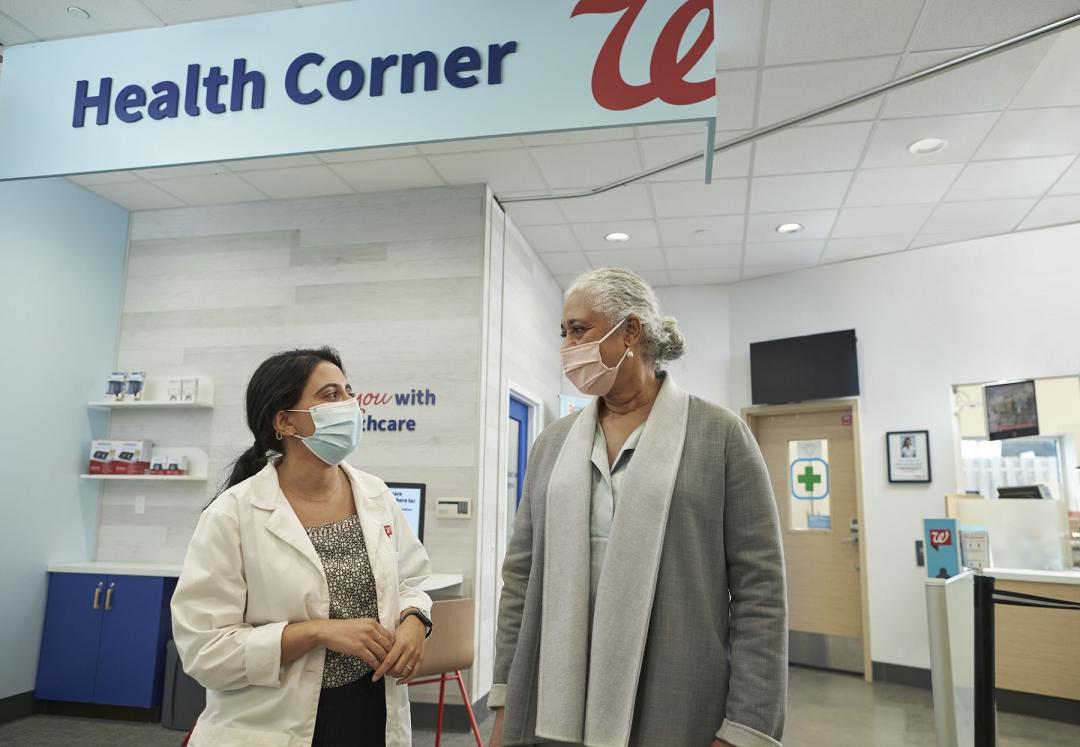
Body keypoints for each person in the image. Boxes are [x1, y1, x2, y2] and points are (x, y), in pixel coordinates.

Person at [490, 269, 788, 747]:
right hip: (554, 702)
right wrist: (506, 697)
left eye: (579, 330)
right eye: (563, 333)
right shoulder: (552, 445)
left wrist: (746, 727)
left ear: (630, 331)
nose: (567, 346)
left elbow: (761, 591)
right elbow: (520, 579)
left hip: (673, 697)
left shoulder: (720, 436)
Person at [171, 347, 433, 747]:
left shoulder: (376, 495)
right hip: (272, 721)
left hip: (372, 709)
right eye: (331, 395)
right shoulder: (233, 514)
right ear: (285, 421)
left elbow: (411, 579)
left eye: (348, 392)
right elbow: (204, 651)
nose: (350, 405)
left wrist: (415, 620)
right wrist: (316, 632)